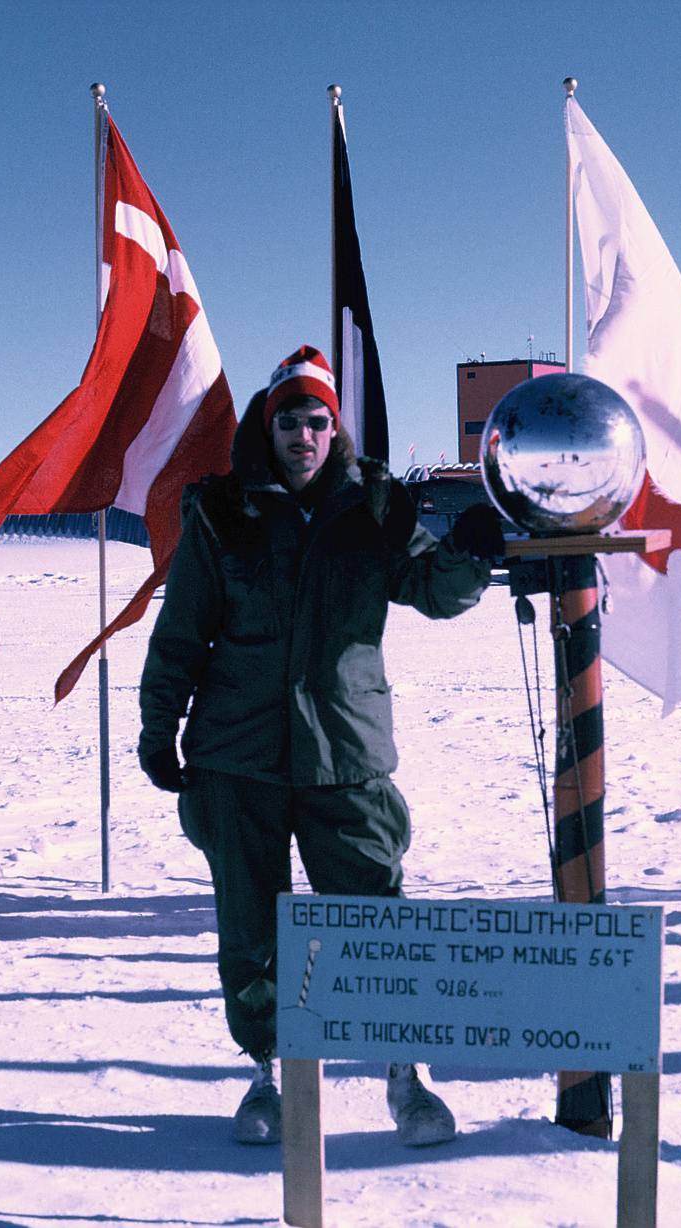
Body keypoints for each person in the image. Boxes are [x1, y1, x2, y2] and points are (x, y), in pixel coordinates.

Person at [138, 345, 505, 1148]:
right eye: (289, 421)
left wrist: (469, 557)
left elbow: (430, 592)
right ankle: (264, 1077)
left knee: (378, 915)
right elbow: (180, 633)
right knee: (252, 924)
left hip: (345, 752)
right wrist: (157, 725)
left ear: (334, 429)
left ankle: (406, 1080)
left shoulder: (373, 507)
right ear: (266, 428)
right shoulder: (220, 512)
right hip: (239, 758)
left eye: (318, 420)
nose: (303, 434)